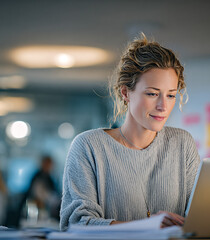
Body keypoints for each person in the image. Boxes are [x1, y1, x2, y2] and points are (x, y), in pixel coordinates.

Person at [59, 33, 201, 231]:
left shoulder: (182, 143)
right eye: (152, 94)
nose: (163, 106)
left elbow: (198, 219)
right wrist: (148, 226)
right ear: (126, 93)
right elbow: (75, 223)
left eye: (170, 95)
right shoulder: (88, 146)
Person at [26, 155, 61, 221]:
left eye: (50, 165)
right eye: (47, 164)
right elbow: (34, 194)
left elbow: (54, 193)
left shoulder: (50, 178)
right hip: (36, 209)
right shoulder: (37, 177)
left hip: (49, 210)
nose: (49, 167)